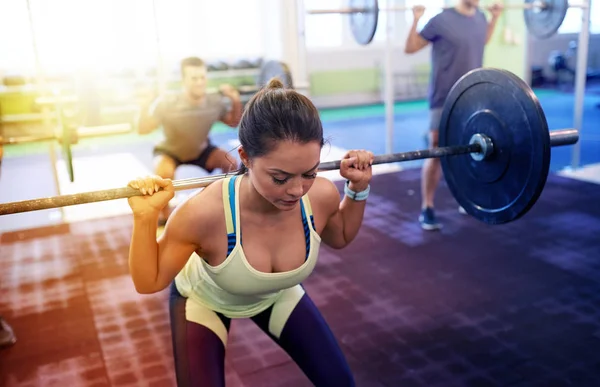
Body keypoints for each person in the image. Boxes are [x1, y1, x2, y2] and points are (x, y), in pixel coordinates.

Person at [127, 78, 374, 386]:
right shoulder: (206, 212)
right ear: (245, 158)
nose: (297, 190)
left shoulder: (319, 196)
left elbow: (341, 236)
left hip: (274, 295)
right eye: (280, 177)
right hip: (205, 299)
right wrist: (145, 217)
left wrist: (357, 189)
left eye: (309, 173)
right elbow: (148, 281)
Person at [404, 0, 503, 230]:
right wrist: (416, 19)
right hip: (443, 97)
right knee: (436, 149)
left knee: (471, 148)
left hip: (472, 95)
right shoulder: (441, 20)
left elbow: (482, 41)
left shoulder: (480, 18)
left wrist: (495, 18)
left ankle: (465, 198)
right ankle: (427, 207)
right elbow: (410, 47)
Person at [137, 56, 243, 225]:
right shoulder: (167, 103)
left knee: (232, 164)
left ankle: (230, 208)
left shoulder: (214, 102)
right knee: (163, 175)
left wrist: (235, 100)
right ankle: (164, 218)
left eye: (202, 77)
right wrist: (144, 105)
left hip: (201, 150)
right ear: (184, 80)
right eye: (194, 78)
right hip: (171, 151)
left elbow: (234, 122)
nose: (199, 82)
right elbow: (143, 129)